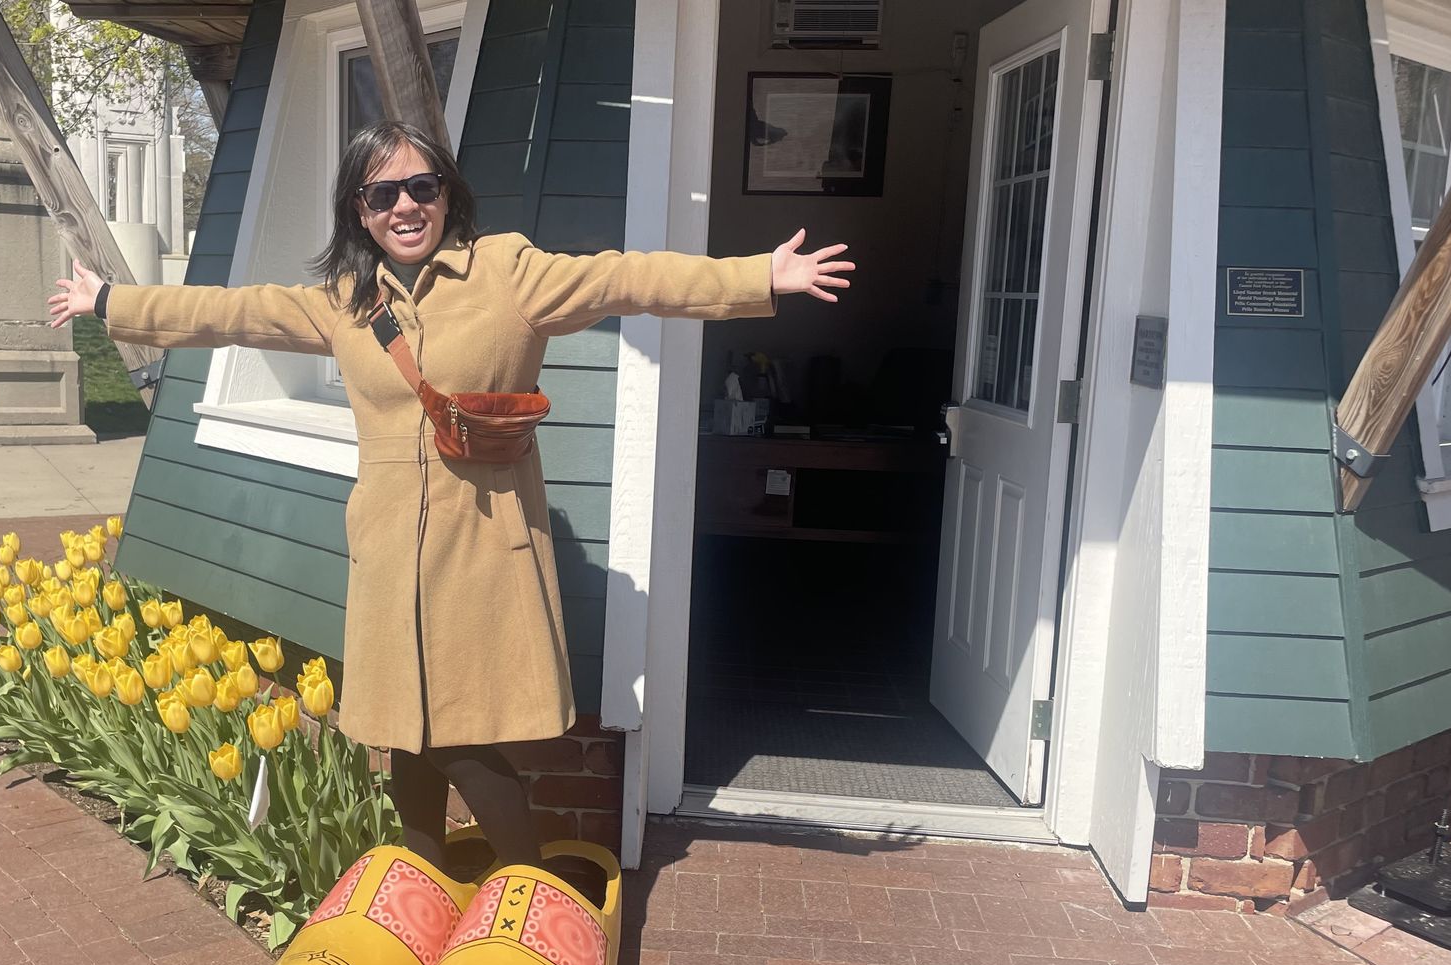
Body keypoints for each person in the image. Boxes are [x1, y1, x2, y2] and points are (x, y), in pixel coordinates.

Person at [47, 120, 852, 881]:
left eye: (421, 187)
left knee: (462, 736)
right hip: (391, 545)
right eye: (380, 194)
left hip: (482, 540)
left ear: (447, 194)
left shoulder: (508, 272)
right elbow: (230, 312)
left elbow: (627, 276)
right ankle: (428, 884)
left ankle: (526, 889)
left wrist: (759, 277)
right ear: (357, 212)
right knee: (406, 734)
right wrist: (113, 301)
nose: (404, 206)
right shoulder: (345, 301)